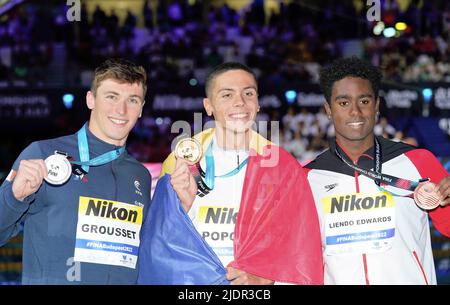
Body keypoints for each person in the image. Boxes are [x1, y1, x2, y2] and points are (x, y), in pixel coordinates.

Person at [138, 62, 323, 285]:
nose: (240, 102)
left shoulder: (283, 168)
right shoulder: (181, 163)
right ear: (209, 105)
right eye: (227, 95)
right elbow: (157, 247)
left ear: (257, 104)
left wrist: (265, 279)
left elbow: (301, 249)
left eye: (248, 93)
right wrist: (180, 209)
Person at [0, 58, 152, 284]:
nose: (121, 110)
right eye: (111, 97)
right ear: (91, 100)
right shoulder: (43, 154)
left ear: (141, 108)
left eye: (132, 100)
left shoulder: (140, 175)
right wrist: (14, 197)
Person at [305, 57, 450, 284]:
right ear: (329, 110)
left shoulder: (417, 161)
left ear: (377, 106)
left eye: (364, 101)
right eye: (343, 103)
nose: (355, 112)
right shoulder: (308, 178)